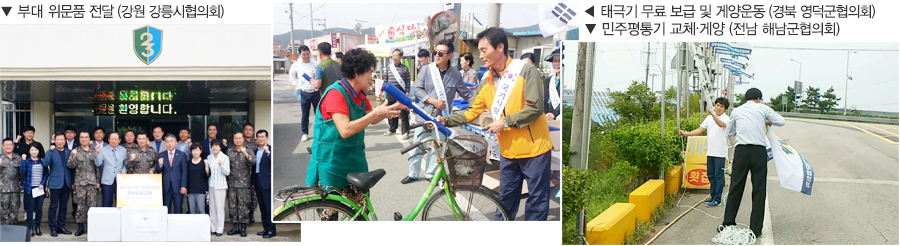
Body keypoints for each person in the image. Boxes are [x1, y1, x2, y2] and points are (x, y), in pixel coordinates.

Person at [437, 27, 553, 221]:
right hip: (508, 150)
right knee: (505, 199)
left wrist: (505, 122)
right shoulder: (486, 79)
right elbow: (473, 112)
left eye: (484, 50)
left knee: (537, 201)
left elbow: (535, 108)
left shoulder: (526, 70)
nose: (480, 55)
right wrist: (445, 120)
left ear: (500, 47)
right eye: (480, 51)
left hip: (535, 150)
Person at [306, 48, 404, 192]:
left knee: (361, 210)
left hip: (354, 159)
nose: (373, 76)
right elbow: (345, 130)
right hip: (332, 162)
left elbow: (372, 118)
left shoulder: (360, 94)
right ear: (357, 72)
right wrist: (376, 113)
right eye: (370, 72)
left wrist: (393, 107)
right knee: (331, 210)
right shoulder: (336, 93)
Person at [402, 39, 474, 185]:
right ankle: (413, 172)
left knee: (437, 147)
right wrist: (433, 101)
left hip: (442, 118)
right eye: (435, 52)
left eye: (441, 53)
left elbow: (466, 94)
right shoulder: (426, 69)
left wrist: (483, 105)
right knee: (418, 145)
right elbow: (419, 90)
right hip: (424, 115)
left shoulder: (455, 74)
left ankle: (430, 173)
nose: (437, 55)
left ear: (449, 55)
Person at [720, 88, 785, 237]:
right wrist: (766, 121)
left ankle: (728, 223)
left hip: (742, 152)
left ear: (746, 98)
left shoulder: (737, 111)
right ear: (758, 98)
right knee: (759, 190)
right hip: (758, 152)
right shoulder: (763, 108)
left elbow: (729, 132)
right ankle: (756, 229)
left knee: (736, 187)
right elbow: (781, 121)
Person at [679, 97, 731, 207]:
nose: (718, 108)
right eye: (717, 105)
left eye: (721, 106)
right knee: (710, 175)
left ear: (725, 109)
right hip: (710, 152)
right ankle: (712, 196)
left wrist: (712, 114)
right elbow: (700, 130)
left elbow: (721, 124)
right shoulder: (709, 118)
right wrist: (686, 134)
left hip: (720, 153)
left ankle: (717, 199)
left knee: (718, 176)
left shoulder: (726, 119)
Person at [68, 132, 100, 236]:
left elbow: (98, 167)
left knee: (92, 206)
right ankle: (80, 227)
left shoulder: (94, 151)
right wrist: (73, 156)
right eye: (82, 137)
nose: (84, 139)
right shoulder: (75, 151)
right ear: (79, 139)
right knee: (80, 206)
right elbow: (70, 166)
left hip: (92, 182)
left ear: (89, 138)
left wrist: (98, 181)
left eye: (86, 137)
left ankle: (92, 227)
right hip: (80, 183)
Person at [226, 132, 254, 237]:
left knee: (243, 206)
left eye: (240, 138)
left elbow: (252, 162)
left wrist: (246, 154)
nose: (238, 140)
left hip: (244, 183)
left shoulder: (249, 150)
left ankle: (243, 227)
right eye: (236, 138)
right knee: (232, 206)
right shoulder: (229, 151)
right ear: (233, 140)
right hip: (232, 183)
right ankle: (235, 226)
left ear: (243, 139)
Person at [46, 134, 74, 237]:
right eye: (58, 140)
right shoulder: (51, 151)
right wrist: (50, 151)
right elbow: (45, 163)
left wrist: (72, 182)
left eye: (62, 139)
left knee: (63, 206)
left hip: (66, 183)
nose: (60, 141)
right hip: (55, 183)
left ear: (65, 140)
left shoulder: (68, 152)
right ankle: (52, 228)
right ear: (55, 140)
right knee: (53, 207)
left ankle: (61, 226)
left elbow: (71, 169)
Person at [155, 133, 188, 214]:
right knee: (166, 208)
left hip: (178, 185)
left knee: (178, 208)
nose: (169, 144)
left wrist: (183, 186)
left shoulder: (181, 155)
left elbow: (184, 171)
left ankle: (177, 225)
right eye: (167, 142)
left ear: (176, 142)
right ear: (165, 143)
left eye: (171, 141)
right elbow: (158, 170)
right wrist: (160, 164)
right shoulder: (161, 154)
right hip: (166, 186)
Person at [20, 144, 48, 237]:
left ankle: (38, 227)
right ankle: (30, 227)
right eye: (32, 150)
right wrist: (23, 160)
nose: (34, 152)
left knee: (39, 209)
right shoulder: (27, 161)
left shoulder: (42, 161)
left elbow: (46, 173)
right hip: (29, 188)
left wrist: (42, 183)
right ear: (29, 151)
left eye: (36, 150)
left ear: (39, 151)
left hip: (39, 189)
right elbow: (22, 172)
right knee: (30, 209)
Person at [384, 48, 412, 139]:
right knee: (391, 110)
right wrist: (381, 90)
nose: (394, 57)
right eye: (393, 55)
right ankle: (392, 129)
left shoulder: (405, 68)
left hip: (401, 93)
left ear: (401, 57)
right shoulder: (389, 67)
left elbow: (408, 81)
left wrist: (407, 90)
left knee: (403, 112)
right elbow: (386, 79)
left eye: (396, 55)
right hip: (390, 93)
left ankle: (405, 132)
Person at [94, 132, 127, 207]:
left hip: (120, 179)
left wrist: (124, 170)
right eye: (112, 139)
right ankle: (106, 218)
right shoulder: (103, 150)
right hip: (107, 180)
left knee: (121, 203)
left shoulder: (123, 150)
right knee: (107, 203)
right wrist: (96, 153)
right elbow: (98, 164)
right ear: (109, 140)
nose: (114, 141)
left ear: (119, 140)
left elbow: (125, 163)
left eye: (116, 139)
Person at [254, 130, 275, 238]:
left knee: (268, 208)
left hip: (267, 182)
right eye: (259, 137)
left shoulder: (271, 149)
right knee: (262, 208)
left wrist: (268, 153)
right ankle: (265, 228)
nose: (261, 139)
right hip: (258, 182)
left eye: (263, 137)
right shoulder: (255, 151)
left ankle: (272, 230)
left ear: (267, 138)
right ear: (256, 139)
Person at [207, 142, 229, 236]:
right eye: (213, 146)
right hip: (211, 185)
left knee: (219, 208)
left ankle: (219, 229)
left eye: (216, 146)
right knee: (212, 208)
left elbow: (227, 172)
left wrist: (221, 165)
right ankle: (213, 228)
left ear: (220, 147)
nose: (214, 148)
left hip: (220, 186)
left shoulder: (225, 157)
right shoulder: (209, 157)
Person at [0, 138, 22, 226]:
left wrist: (22, 184)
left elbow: (21, 173)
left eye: (10, 145)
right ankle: (4, 230)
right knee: (3, 210)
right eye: (6, 145)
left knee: (15, 210)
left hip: (15, 189)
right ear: (3, 146)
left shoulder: (18, 158)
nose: (8, 147)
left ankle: (13, 229)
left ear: (13, 146)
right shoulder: (0, 158)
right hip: (3, 190)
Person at [186, 143, 209, 215]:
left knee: (201, 210)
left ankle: (202, 226)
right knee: (192, 211)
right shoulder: (188, 163)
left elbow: (207, 175)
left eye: (197, 150)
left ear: (200, 151)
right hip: (190, 190)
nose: (195, 152)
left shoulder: (203, 162)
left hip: (200, 190)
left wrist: (206, 165)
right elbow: (186, 176)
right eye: (193, 150)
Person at [241, 123, 257, 225]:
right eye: (246, 129)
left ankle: (251, 213)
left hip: (253, 172)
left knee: (253, 195)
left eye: (250, 129)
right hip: (242, 173)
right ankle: (244, 215)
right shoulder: (239, 143)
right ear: (243, 131)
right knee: (244, 196)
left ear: (253, 131)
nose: (248, 131)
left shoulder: (256, 144)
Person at [543, 49, 562, 121]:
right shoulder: (549, 80)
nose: (556, 64)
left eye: (559, 61)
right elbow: (545, 98)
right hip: (547, 116)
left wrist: (554, 113)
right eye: (554, 61)